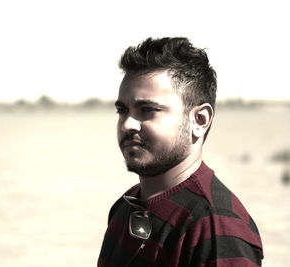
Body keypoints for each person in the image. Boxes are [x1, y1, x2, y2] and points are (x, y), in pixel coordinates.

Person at [98, 37, 263, 267]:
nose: (127, 124)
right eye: (123, 110)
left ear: (199, 120)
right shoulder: (126, 207)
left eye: (147, 110)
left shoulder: (216, 228)